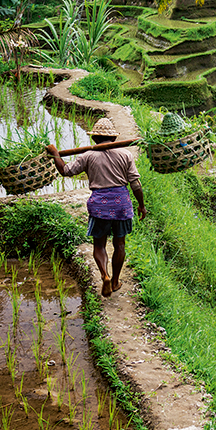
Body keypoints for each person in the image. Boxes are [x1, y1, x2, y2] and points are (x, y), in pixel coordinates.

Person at [45, 118, 147, 297]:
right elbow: (136, 184)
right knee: (119, 244)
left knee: (99, 245)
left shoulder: (88, 156)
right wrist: (141, 205)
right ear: (113, 139)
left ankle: (105, 275)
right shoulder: (125, 155)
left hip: (100, 204)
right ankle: (115, 282)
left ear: (94, 139)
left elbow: (65, 171)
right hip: (121, 204)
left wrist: (55, 154)